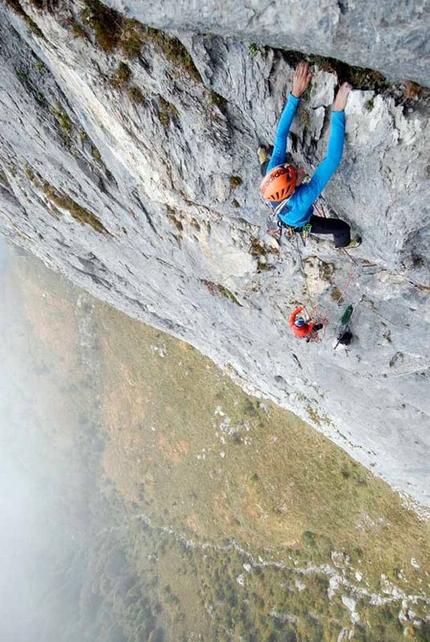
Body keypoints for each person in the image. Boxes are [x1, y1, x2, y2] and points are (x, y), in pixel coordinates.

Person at [259, 61, 361, 249]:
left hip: (280, 205)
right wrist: (338, 112)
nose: (298, 168)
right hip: (301, 222)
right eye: (296, 174)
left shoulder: (275, 171)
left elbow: (281, 135)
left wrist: (295, 94)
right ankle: (345, 244)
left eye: (291, 169)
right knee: (341, 228)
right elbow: (332, 160)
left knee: (267, 165)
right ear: (293, 188)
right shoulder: (303, 199)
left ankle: (263, 162)